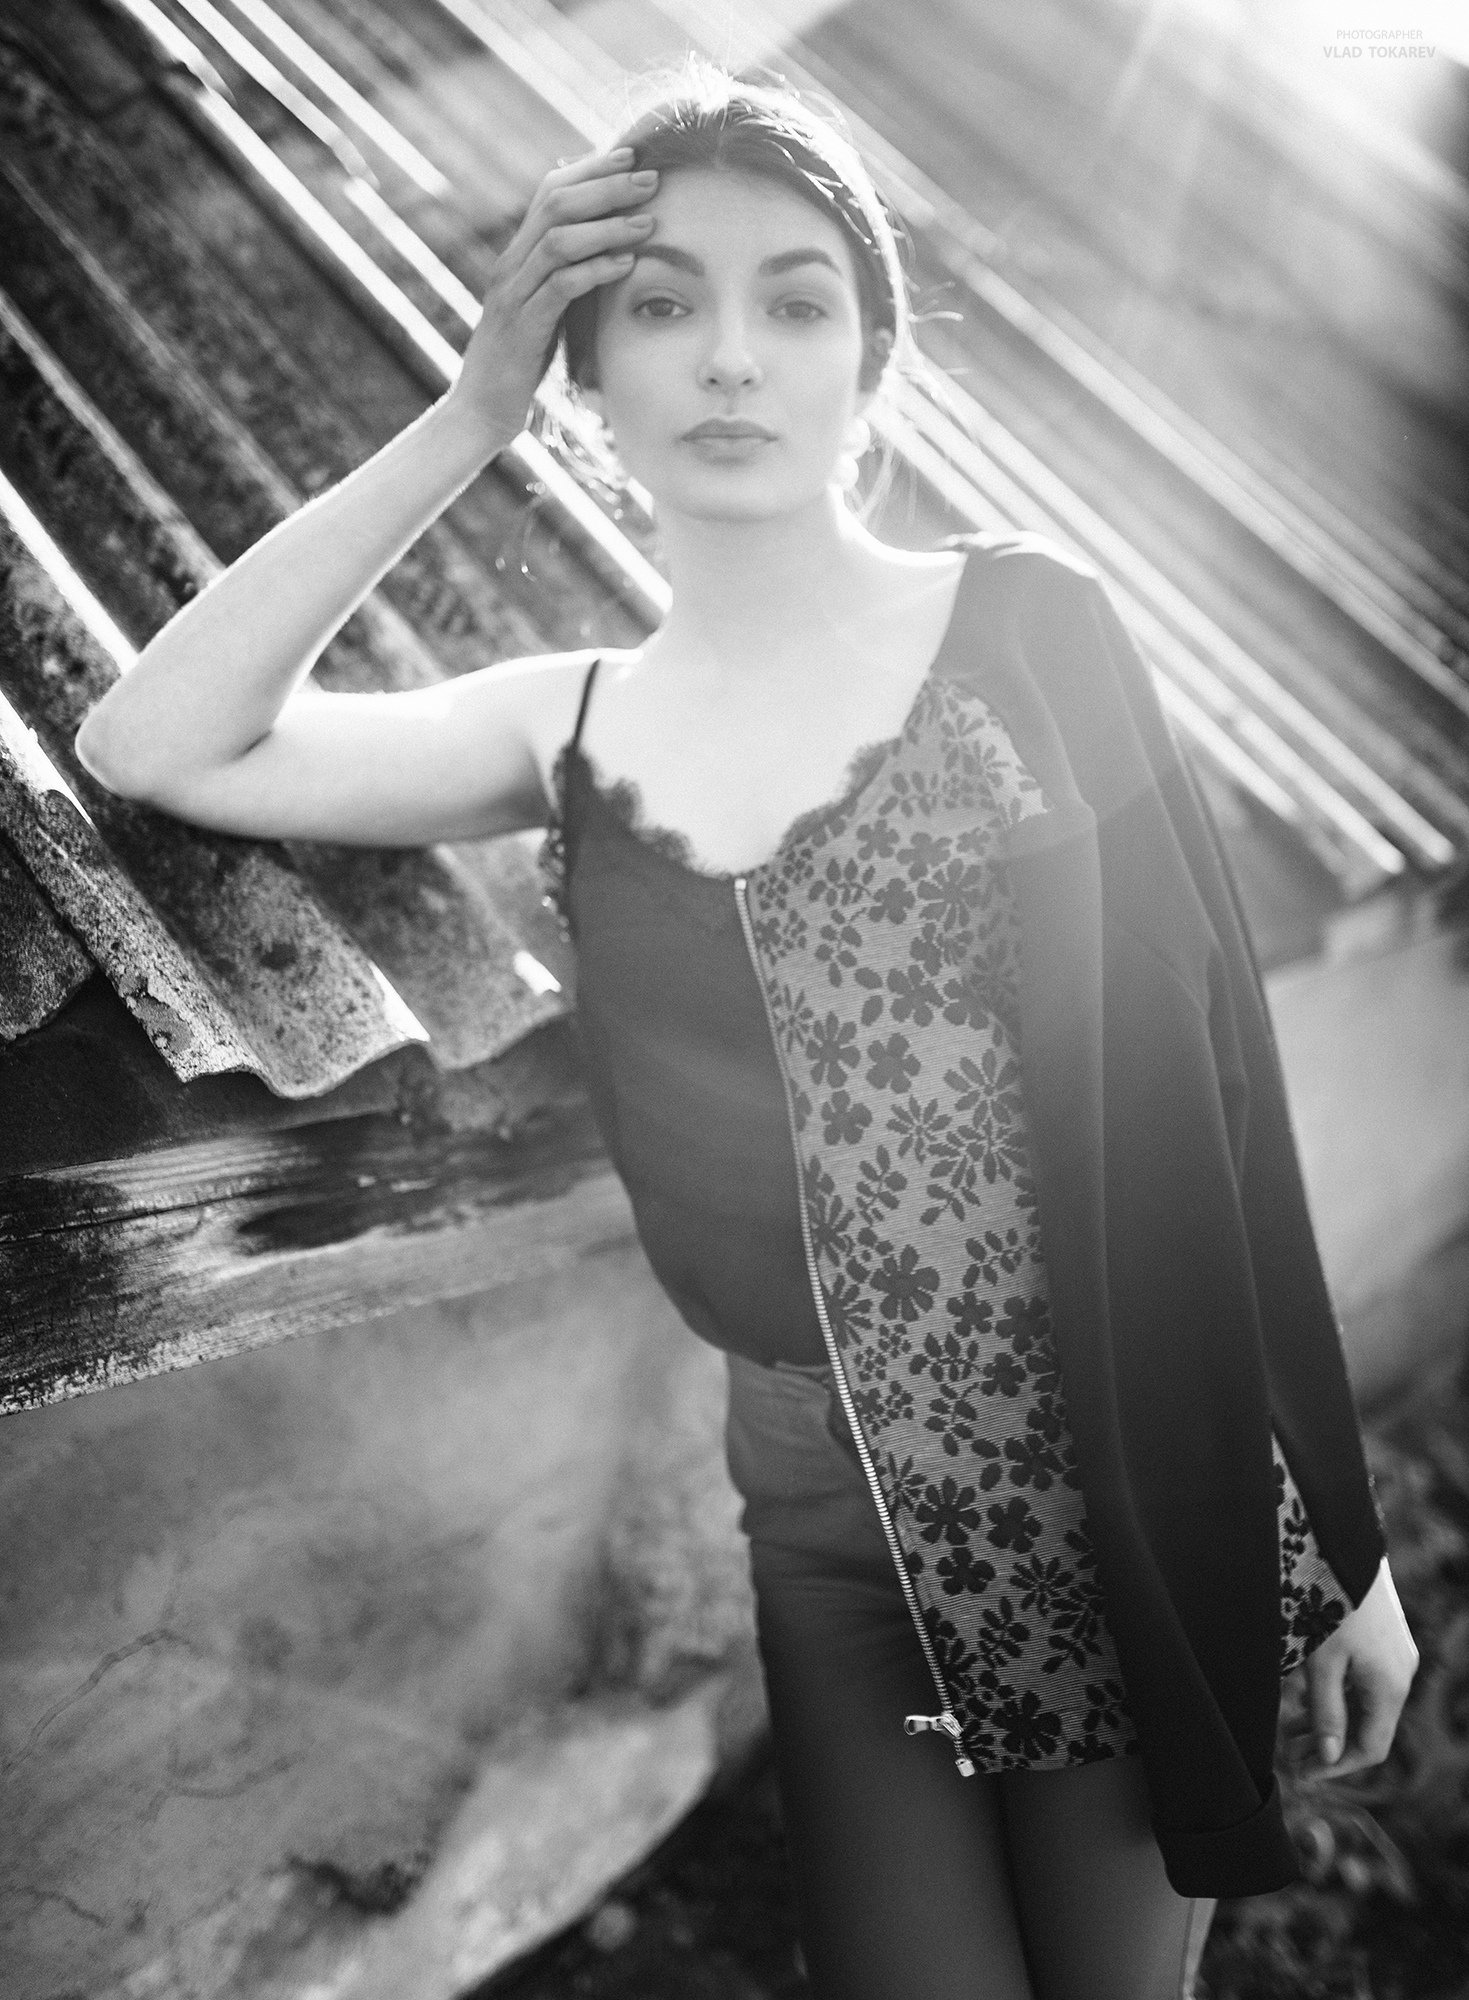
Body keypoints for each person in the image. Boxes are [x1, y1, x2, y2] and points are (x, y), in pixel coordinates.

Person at [77, 64, 1418, 2000]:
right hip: (812, 1510)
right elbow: (155, 741)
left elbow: (1214, 1091)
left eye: (794, 301)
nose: (728, 355)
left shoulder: (1031, 626)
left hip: (1111, 1464)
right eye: (659, 305)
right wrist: (466, 410)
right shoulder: (567, 722)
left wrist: (1341, 1538)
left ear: (869, 359)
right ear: (587, 371)